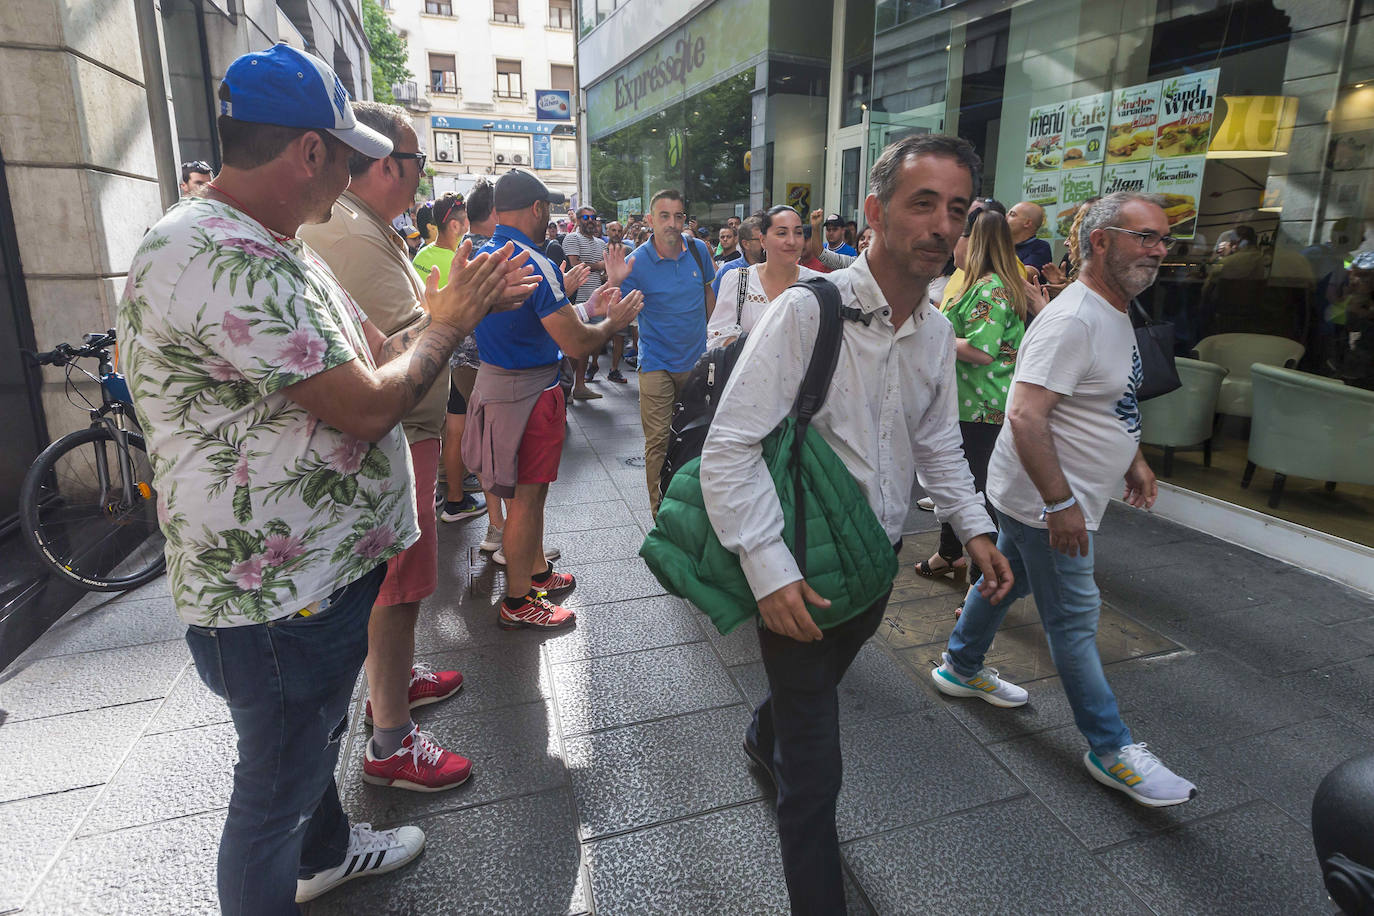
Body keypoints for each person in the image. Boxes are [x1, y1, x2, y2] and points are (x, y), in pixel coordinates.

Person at [117, 45, 538, 914]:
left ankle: (327, 853)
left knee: (308, 749)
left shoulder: (268, 244)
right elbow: (368, 404)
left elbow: (376, 353)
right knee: (271, 793)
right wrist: (452, 323)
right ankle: (298, 862)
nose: (351, 173)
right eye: (346, 154)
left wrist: (446, 310)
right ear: (310, 151)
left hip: (306, 581)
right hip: (276, 600)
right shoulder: (224, 256)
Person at [700, 134, 1013, 915]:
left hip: (872, 570)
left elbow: (938, 443)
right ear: (873, 213)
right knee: (817, 771)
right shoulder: (808, 311)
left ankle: (760, 733)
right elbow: (727, 450)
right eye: (922, 204)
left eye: (956, 209)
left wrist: (975, 530)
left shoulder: (936, 332)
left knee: (811, 694)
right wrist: (768, 571)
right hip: (798, 569)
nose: (942, 224)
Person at [936, 191, 1199, 809]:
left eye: (1164, 239)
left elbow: (1106, 400)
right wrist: (1060, 505)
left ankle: (960, 666)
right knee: (1076, 619)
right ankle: (1111, 748)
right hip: (1045, 498)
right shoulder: (1075, 317)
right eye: (1145, 237)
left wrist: (1131, 456)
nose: (1158, 250)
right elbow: (1025, 415)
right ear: (1101, 241)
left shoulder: (1115, 309)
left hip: (1051, 494)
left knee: (1005, 578)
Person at [300, 102, 475, 794]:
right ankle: (391, 742)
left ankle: (393, 689)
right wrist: (458, 314)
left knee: (399, 587)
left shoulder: (363, 226)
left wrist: (448, 314)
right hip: (394, 435)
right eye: (415, 161)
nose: (418, 177)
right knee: (398, 589)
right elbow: (393, 357)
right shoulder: (346, 230)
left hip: (407, 431)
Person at [463, 170, 643, 629]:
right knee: (529, 497)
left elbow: (540, 322)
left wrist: (588, 308)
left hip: (495, 385)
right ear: (539, 210)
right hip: (531, 393)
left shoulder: (483, 254)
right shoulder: (533, 260)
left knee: (526, 495)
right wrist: (612, 321)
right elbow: (578, 344)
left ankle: (536, 572)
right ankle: (519, 599)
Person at [916, 210, 1038, 616]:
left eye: (958, 238)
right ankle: (951, 555)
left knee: (974, 492)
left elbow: (982, 352)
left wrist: (937, 335)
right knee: (958, 484)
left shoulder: (991, 289)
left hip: (981, 407)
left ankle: (980, 585)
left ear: (975, 241)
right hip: (967, 403)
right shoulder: (980, 284)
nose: (952, 245)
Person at [607, 188, 716, 515]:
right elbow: (613, 317)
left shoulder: (698, 251)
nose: (671, 223)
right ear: (651, 220)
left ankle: (698, 508)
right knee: (657, 443)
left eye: (678, 216)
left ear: (684, 219)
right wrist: (614, 284)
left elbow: (708, 295)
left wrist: (714, 339)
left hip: (697, 363)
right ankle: (662, 516)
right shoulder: (635, 261)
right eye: (664, 216)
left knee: (700, 440)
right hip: (656, 364)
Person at [409, 192, 486, 523]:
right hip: (457, 358)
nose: (468, 225)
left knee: (451, 427)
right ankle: (457, 495)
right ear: (454, 224)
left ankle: (452, 489)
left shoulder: (422, 255)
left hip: (429, 354)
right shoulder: (454, 259)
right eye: (465, 219)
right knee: (463, 426)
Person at [707, 205, 820, 349]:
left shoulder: (817, 283)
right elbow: (716, 339)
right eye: (781, 233)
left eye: (798, 232)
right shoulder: (738, 280)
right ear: (763, 240)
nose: (791, 241)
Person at [563, 206, 610, 397]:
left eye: (593, 217)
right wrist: (599, 266)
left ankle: (580, 386)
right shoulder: (572, 238)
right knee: (574, 348)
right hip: (578, 300)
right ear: (578, 219)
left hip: (596, 300)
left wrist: (605, 272)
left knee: (590, 346)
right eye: (585, 217)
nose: (590, 220)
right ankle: (566, 388)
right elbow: (575, 266)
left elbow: (604, 268)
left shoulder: (601, 243)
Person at [712, 215, 764, 295]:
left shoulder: (776, 270)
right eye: (760, 240)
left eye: (767, 238)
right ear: (746, 244)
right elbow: (713, 301)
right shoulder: (728, 271)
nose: (765, 244)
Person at [1006, 200, 1054, 272]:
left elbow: (1027, 275)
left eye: (1012, 215)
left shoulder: (1040, 247)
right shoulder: (1001, 244)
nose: (1005, 217)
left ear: (1027, 223)